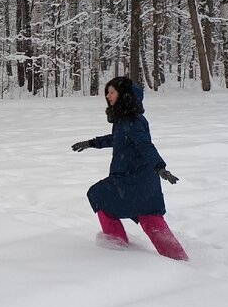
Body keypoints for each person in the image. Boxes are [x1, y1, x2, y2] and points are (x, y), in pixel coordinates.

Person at [71, 76, 188, 260]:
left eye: (112, 92)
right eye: (107, 93)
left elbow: (144, 145)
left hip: (133, 179)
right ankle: (178, 258)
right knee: (149, 217)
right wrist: (92, 143)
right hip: (140, 179)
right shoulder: (126, 119)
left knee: (99, 195)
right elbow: (117, 139)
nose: (108, 96)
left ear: (124, 95)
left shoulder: (131, 121)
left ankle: (117, 245)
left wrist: (160, 167)